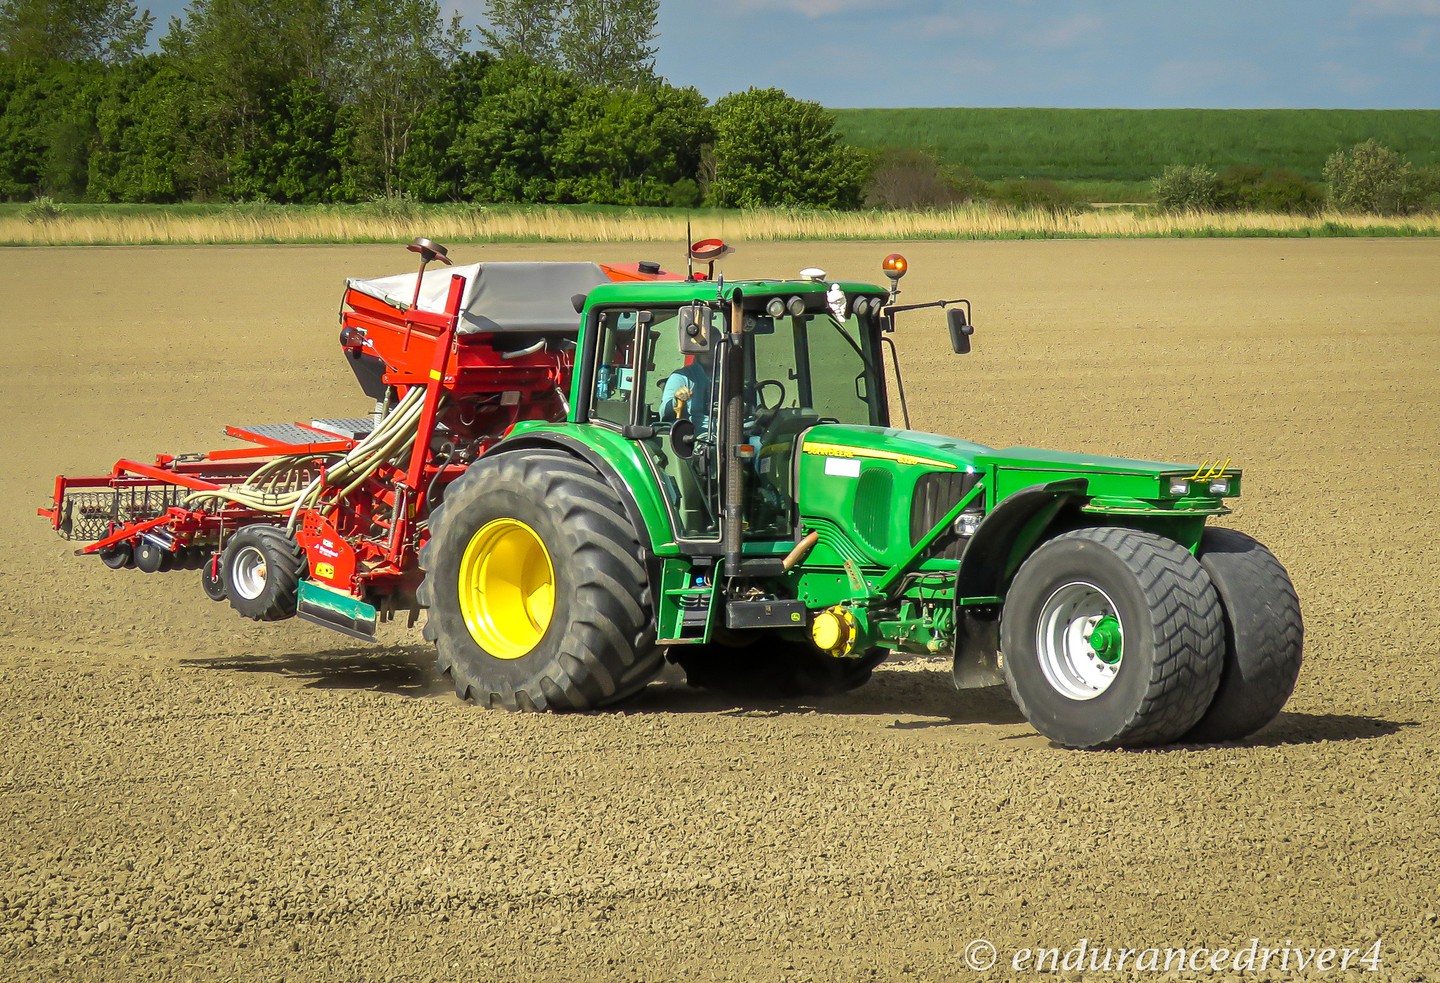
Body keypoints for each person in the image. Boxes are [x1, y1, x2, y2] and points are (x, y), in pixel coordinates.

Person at [660, 355, 714, 434]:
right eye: (707, 346)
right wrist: (676, 401)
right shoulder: (681, 376)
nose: (711, 350)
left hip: (732, 436)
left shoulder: (735, 377)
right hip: (693, 438)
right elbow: (664, 413)